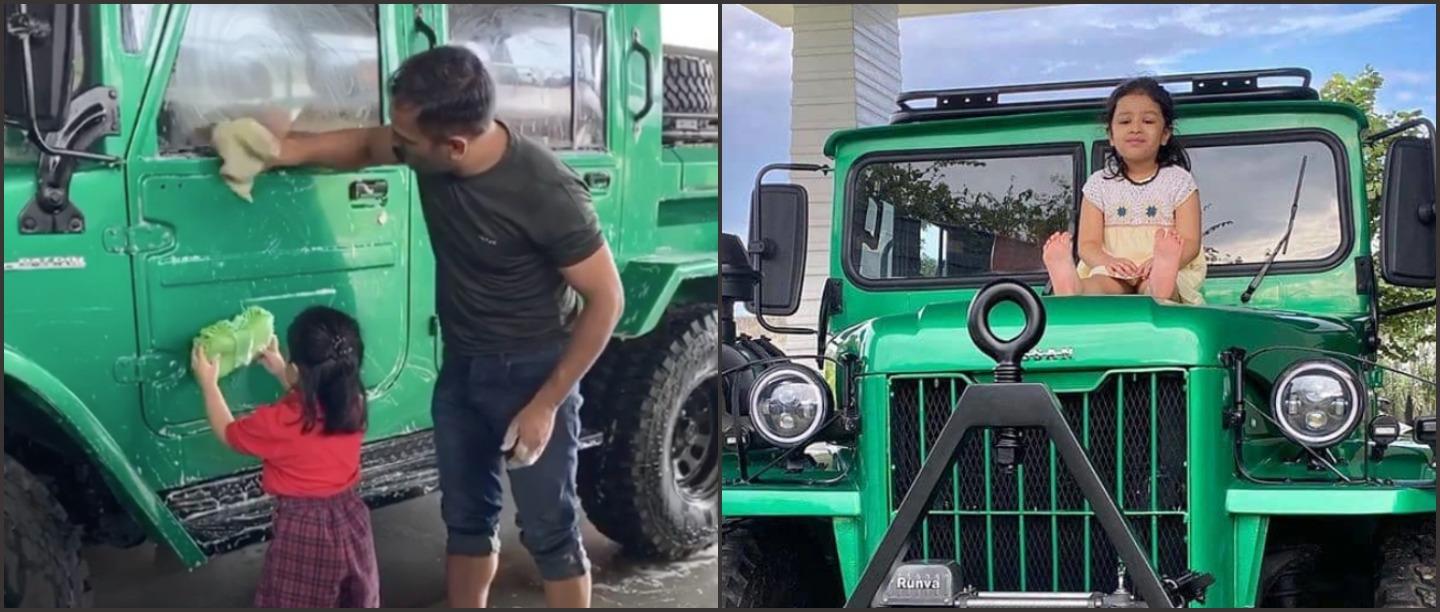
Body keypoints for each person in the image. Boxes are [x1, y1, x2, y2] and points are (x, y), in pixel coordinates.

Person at [241, 45, 624, 608]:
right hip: (463, 370)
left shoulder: (544, 189)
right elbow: (364, 144)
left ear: (456, 145)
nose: (396, 145)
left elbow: (606, 301)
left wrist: (546, 403)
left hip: (532, 372)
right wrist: (281, 152)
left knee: (550, 530)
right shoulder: (429, 149)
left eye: (408, 140)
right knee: (466, 520)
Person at [190, 306, 379, 608]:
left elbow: (229, 432)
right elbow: (316, 400)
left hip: (305, 530)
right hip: (353, 519)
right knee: (355, 599)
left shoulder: (280, 422)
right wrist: (282, 369)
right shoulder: (354, 405)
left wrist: (209, 385)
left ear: (298, 369)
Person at [1043, 76, 1207, 303]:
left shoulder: (1179, 181)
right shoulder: (1098, 185)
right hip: (1114, 267)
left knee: (1160, 285)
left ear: (1165, 134)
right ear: (1110, 135)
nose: (1136, 129)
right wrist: (1107, 262)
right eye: (1125, 121)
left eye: (1148, 121)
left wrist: (1164, 262)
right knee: (1099, 284)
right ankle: (1071, 288)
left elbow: (1190, 241)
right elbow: (1088, 244)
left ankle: (1160, 281)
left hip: (1167, 267)